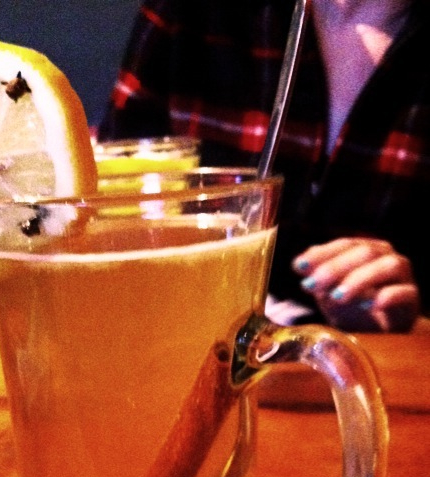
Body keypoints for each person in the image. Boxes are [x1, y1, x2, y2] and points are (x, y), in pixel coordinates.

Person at [98, 0, 429, 332]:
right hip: (187, 346)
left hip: (381, 370)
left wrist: (412, 319)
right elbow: (105, 219)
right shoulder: (190, 13)